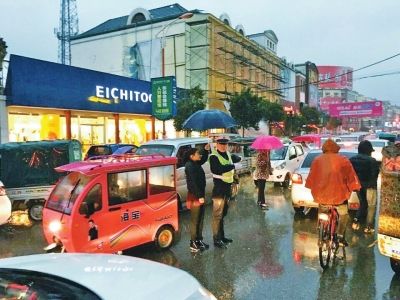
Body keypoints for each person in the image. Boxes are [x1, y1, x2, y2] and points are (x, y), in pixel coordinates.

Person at [305, 139, 361, 246]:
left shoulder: (317, 160)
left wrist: (311, 186)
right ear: (336, 149)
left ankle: (321, 232)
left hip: (321, 196)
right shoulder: (343, 160)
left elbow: (312, 177)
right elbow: (351, 177)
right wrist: (355, 187)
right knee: (344, 215)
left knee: (322, 212)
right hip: (339, 196)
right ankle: (340, 236)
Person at [209, 136, 242, 249]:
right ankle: (216, 240)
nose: (224, 146)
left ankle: (222, 237)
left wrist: (239, 159)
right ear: (217, 144)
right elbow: (217, 169)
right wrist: (233, 166)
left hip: (227, 187)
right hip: (219, 188)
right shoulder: (213, 156)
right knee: (217, 215)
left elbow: (234, 158)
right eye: (222, 144)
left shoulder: (227, 153)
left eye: (225, 144)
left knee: (223, 214)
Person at [350, 140, 380, 233]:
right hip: (370, 186)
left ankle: (356, 221)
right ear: (368, 151)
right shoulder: (372, 160)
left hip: (358, 186)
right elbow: (375, 174)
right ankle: (369, 227)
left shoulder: (352, 159)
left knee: (363, 204)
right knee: (371, 206)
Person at [184, 145, 210, 253]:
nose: (200, 155)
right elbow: (193, 183)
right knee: (195, 220)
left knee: (200, 219)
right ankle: (193, 242)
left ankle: (199, 240)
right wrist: (199, 196)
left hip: (200, 195)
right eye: (197, 153)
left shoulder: (195, 163)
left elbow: (203, 159)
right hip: (195, 196)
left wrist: (206, 150)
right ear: (191, 156)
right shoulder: (189, 166)